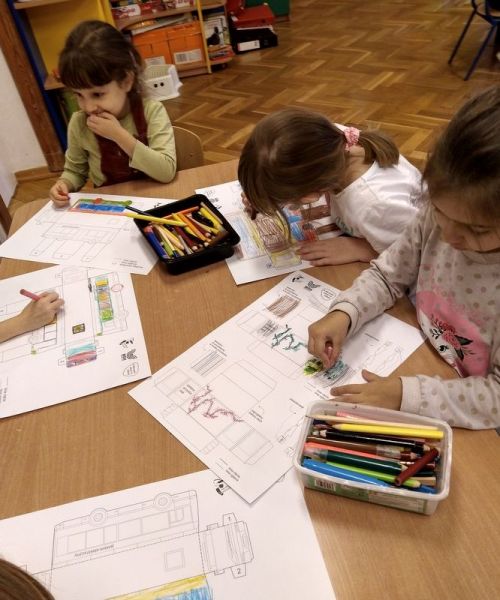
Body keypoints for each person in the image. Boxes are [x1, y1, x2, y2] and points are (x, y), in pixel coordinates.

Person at [307, 86, 500, 430]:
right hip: (422, 348)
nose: (450, 236)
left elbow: (495, 397)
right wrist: (345, 313)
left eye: (477, 230)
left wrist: (407, 396)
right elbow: (388, 274)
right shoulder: (439, 216)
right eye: (439, 210)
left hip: (470, 409)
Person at [238, 107, 421, 265]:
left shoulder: (375, 205)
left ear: (308, 196)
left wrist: (362, 249)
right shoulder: (330, 140)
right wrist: (263, 192)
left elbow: (416, 255)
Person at [50, 20, 176, 207]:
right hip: (112, 207)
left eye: (97, 94)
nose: (88, 107)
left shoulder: (151, 111)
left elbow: (166, 171)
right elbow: (75, 171)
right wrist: (65, 184)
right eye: (79, 95)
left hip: (158, 200)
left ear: (126, 81)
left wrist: (118, 135)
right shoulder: (79, 123)